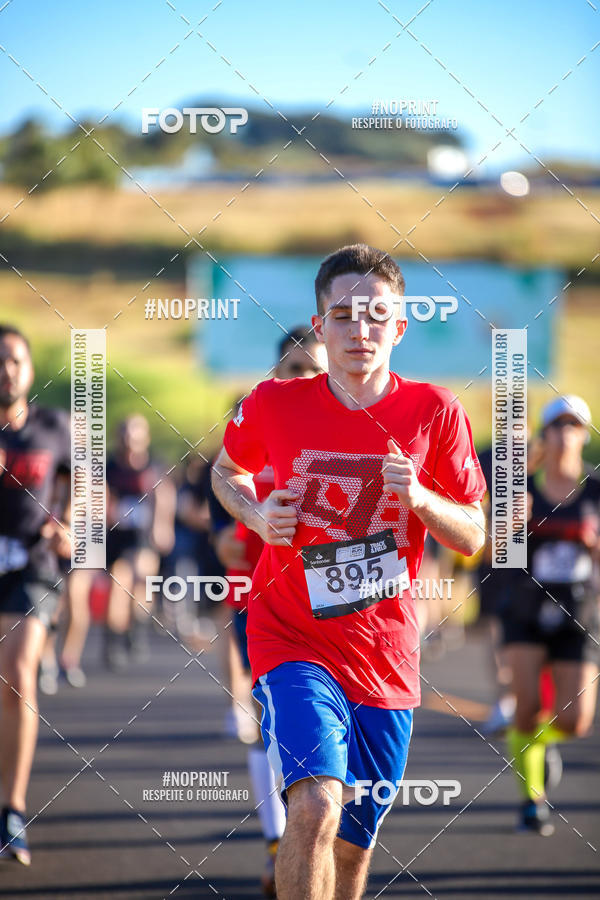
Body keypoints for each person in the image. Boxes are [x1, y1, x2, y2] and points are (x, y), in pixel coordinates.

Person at [211, 244, 486, 900]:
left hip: (386, 657)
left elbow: (474, 534)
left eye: (376, 315)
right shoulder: (273, 403)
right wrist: (255, 513)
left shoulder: (435, 410)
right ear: (320, 324)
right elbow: (226, 471)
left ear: (400, 327)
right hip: (292, 640)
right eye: (343, 314)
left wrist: (420, 499)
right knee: (313, 806)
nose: (359, 329)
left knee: (353, 849)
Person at [214, 326, 327, 897]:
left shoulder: (351, 432)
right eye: (292, 368)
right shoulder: (254, 429)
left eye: (313, 369)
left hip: (338, 607)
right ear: (275, 375)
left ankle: (319, 842)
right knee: (270, 724)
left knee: (336, 744)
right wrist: (236, 535)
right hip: (261, 603)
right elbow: (220, 517)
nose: (302, 378)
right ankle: (278, 842)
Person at [504, 395, 600, 835]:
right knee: (526, 710)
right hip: (526, 608)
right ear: (544, 435)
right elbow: (491, 553)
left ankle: (536, 746)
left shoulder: (596, 491)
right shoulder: (521, 489)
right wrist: (509, 526)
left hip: (579, 612)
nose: (565, 434)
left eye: (573, 426)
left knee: (575, 723)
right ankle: (533, 800)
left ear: (584, 435)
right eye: (557, 426)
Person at [0, 325, 71, 865]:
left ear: (28, 369)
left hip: (34, 565)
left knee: (19, 672)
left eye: (15, 360)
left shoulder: (55, 427)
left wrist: (70, 526)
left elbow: (88, 488)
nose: (6, 370)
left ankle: (12, 809)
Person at [104, 415, 175, 669]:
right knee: (118, 584)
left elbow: (165, 496)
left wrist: (163, 527)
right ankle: (113, 639)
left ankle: (136, 630)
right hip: (116, 536)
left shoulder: (153, 465)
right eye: (125, 433)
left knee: (142, 581)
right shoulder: (110, 466)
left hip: (144, 535)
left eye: (135, 434)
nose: (129, 440)